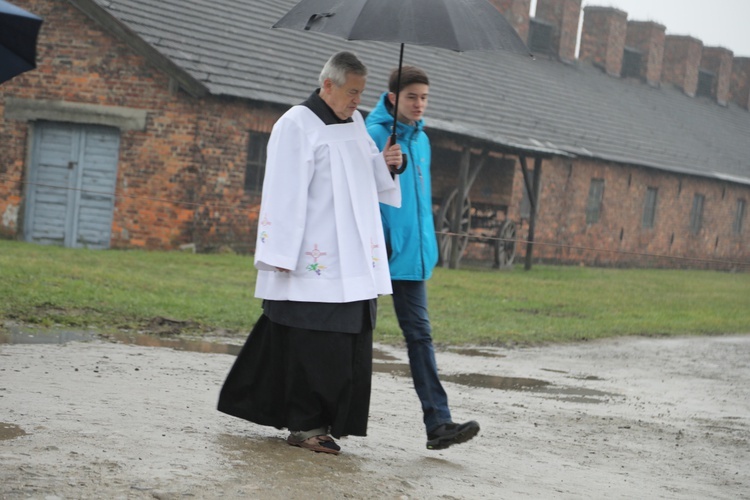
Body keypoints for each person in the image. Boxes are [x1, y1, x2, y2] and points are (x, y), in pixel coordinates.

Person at [218, 51, 403, 456]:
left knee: (344, 343)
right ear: (328, 85)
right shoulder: (296, 124)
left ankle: (327, 420)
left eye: (362, 92)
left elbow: (364, 176)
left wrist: (388, 163)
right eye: (352, 92)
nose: (358, 101)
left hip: (352, 259)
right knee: (311, 345)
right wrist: (280, 251)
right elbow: (282, 191)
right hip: (310, 261)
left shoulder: (354, 122)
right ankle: (305, 425)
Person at [366, 66, 480, 450]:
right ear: (394, 97)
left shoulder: (423, 142)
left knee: (421, 337)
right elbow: (358, 191)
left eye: (425, 97)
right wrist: (379, 163)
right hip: (374, 256)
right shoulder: (372, 135)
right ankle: (326, 418)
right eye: (412, 96)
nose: (420, 104)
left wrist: (423, 245)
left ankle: (439, 424)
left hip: (412, 257)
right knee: (352, 337)